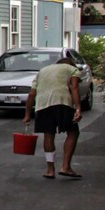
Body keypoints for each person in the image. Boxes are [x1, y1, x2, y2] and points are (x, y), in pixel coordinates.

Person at [23, 51, 84, 180]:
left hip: (42, 105)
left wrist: (27, 114)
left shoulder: (42, 71)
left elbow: (32, 94)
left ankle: (50, 170)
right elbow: (74, 87)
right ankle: (66, 166)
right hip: (63, 102)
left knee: (48, 135)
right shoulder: (72, 69)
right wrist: (78, 108)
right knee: (73, 132)